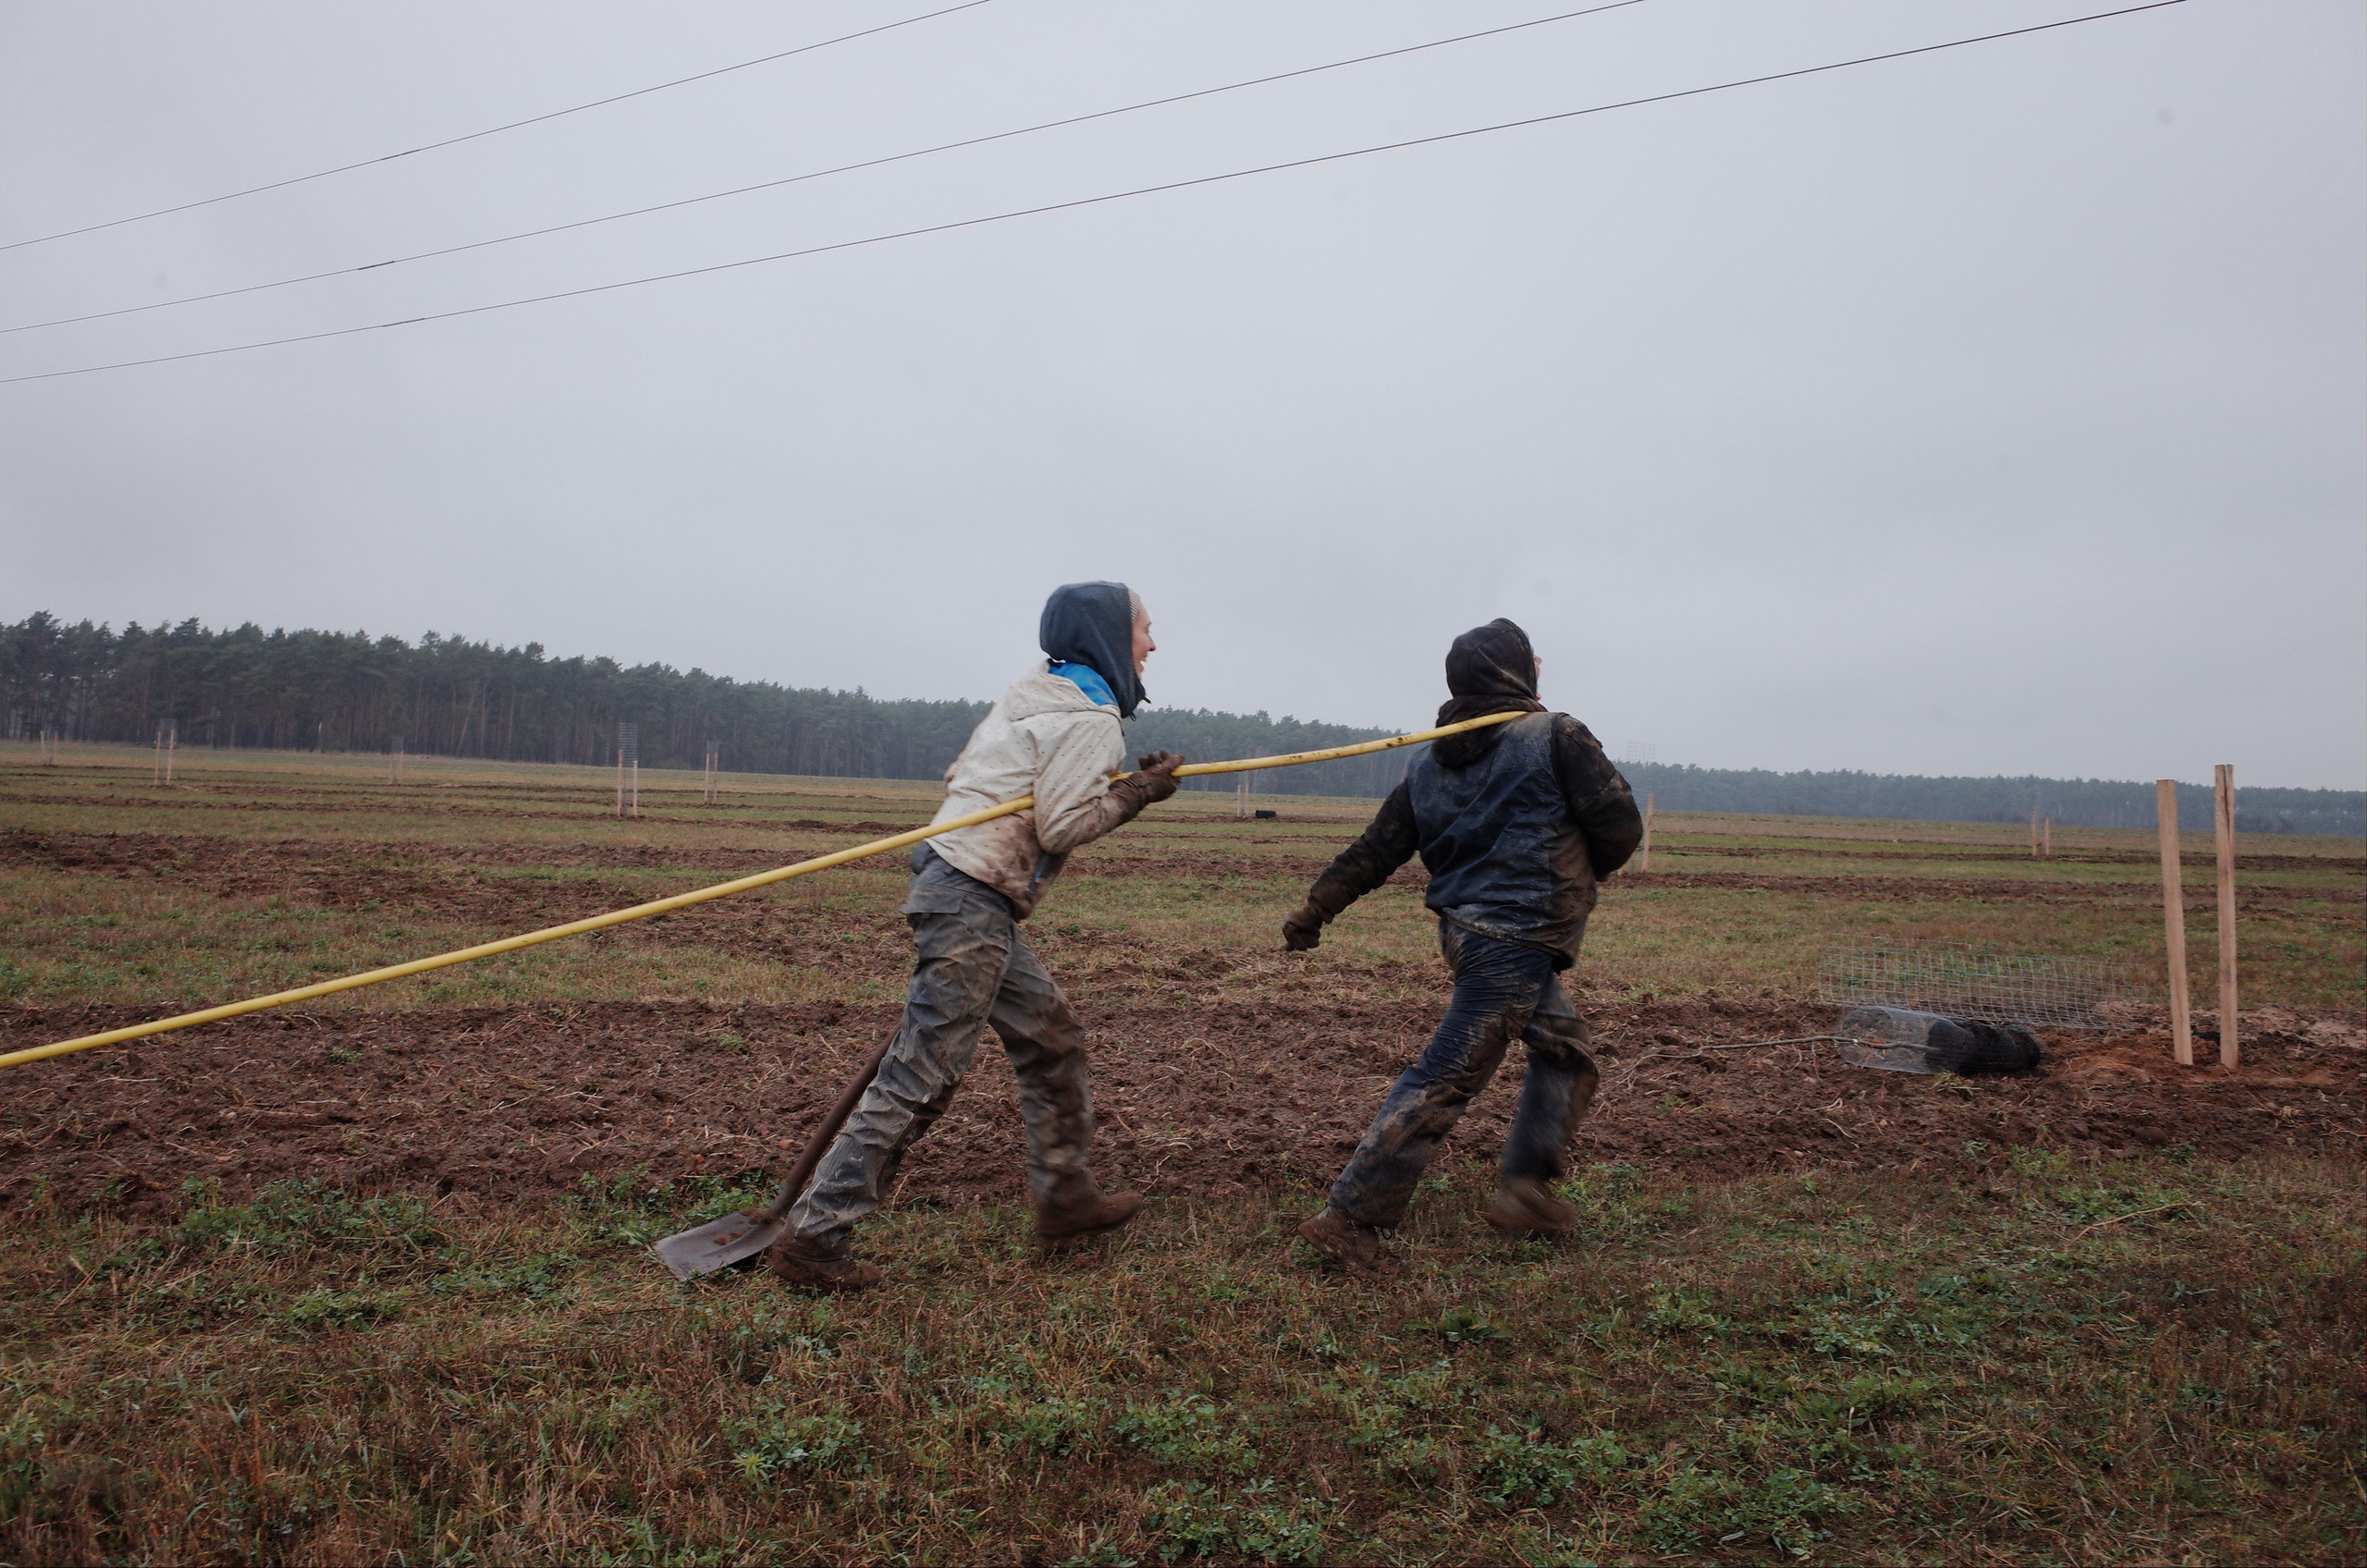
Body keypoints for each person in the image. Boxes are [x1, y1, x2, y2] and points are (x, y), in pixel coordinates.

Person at [767, 582, 1184, 1292]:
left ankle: (1065, 1198)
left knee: (1050, 1039)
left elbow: (975, 779)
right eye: (1145, 630)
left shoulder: (1034, 692)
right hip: (972, 899)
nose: (1153, 644)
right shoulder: (1091, 718)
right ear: (1112, 637)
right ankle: (815, 1238)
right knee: (921, 1075)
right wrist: (1138, 792)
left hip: (956, 883)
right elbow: (1063, 826)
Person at [1282, 619, 1642, 1277]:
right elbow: (1620, 823)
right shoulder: (1556, 735)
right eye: (1531, 659)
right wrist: (1588, 868)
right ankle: (1350, 1217)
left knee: (1566, 1054)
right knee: (1447, 1075)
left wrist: (1316, 908)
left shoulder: (1427, 761)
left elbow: (1377, 848)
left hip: (1468, 935)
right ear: (1516, 673)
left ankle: (1526, 1193)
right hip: (1516, 938)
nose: (1540, 664)